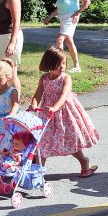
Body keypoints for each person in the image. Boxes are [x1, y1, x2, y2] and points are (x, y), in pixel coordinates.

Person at [29, 46, 99, 178]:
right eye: (58, 64)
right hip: (47, 114)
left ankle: (84, 162)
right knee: (43, 142)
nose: (62, 66)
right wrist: (34, 103)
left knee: (68, 140)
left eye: (64, 63)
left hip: (65, 113)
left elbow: (64, 95)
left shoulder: (66, 78)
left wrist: (55, 107)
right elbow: (38, 93)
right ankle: (38, 172)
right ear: (49, 64)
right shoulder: (44, 78)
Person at [43, 0, 90, 73]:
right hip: (63, 18)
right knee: (69, 41)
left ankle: (59, 65)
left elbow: (87, 1)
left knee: (60, 39)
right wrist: (49, 17)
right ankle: (77, 67)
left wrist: (78, 12)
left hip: (70, 18)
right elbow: (59, 9)